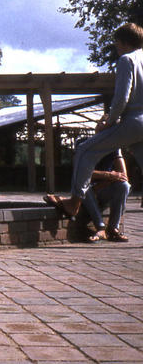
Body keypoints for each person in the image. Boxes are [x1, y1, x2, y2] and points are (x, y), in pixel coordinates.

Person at [46, 22, 143, 218]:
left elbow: (122, 97)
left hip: (134, 120)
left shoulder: (127, 60)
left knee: (85, 150)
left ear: (124, 42)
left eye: (116, 44)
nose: (116, 48)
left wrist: (110, 121)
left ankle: (74, 203)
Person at [79, 141, 130, 243]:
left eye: (107, 124)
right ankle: (101, 228)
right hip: (86, 192)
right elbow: (81, 172)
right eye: (100, 123)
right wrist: (109, 175)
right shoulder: (83, 144)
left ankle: (113, 228)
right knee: (83, 185)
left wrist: (99, 185)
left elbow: (124, 176)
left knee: (124, 185)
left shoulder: (114, 147)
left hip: (102, 190)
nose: (103, 123)